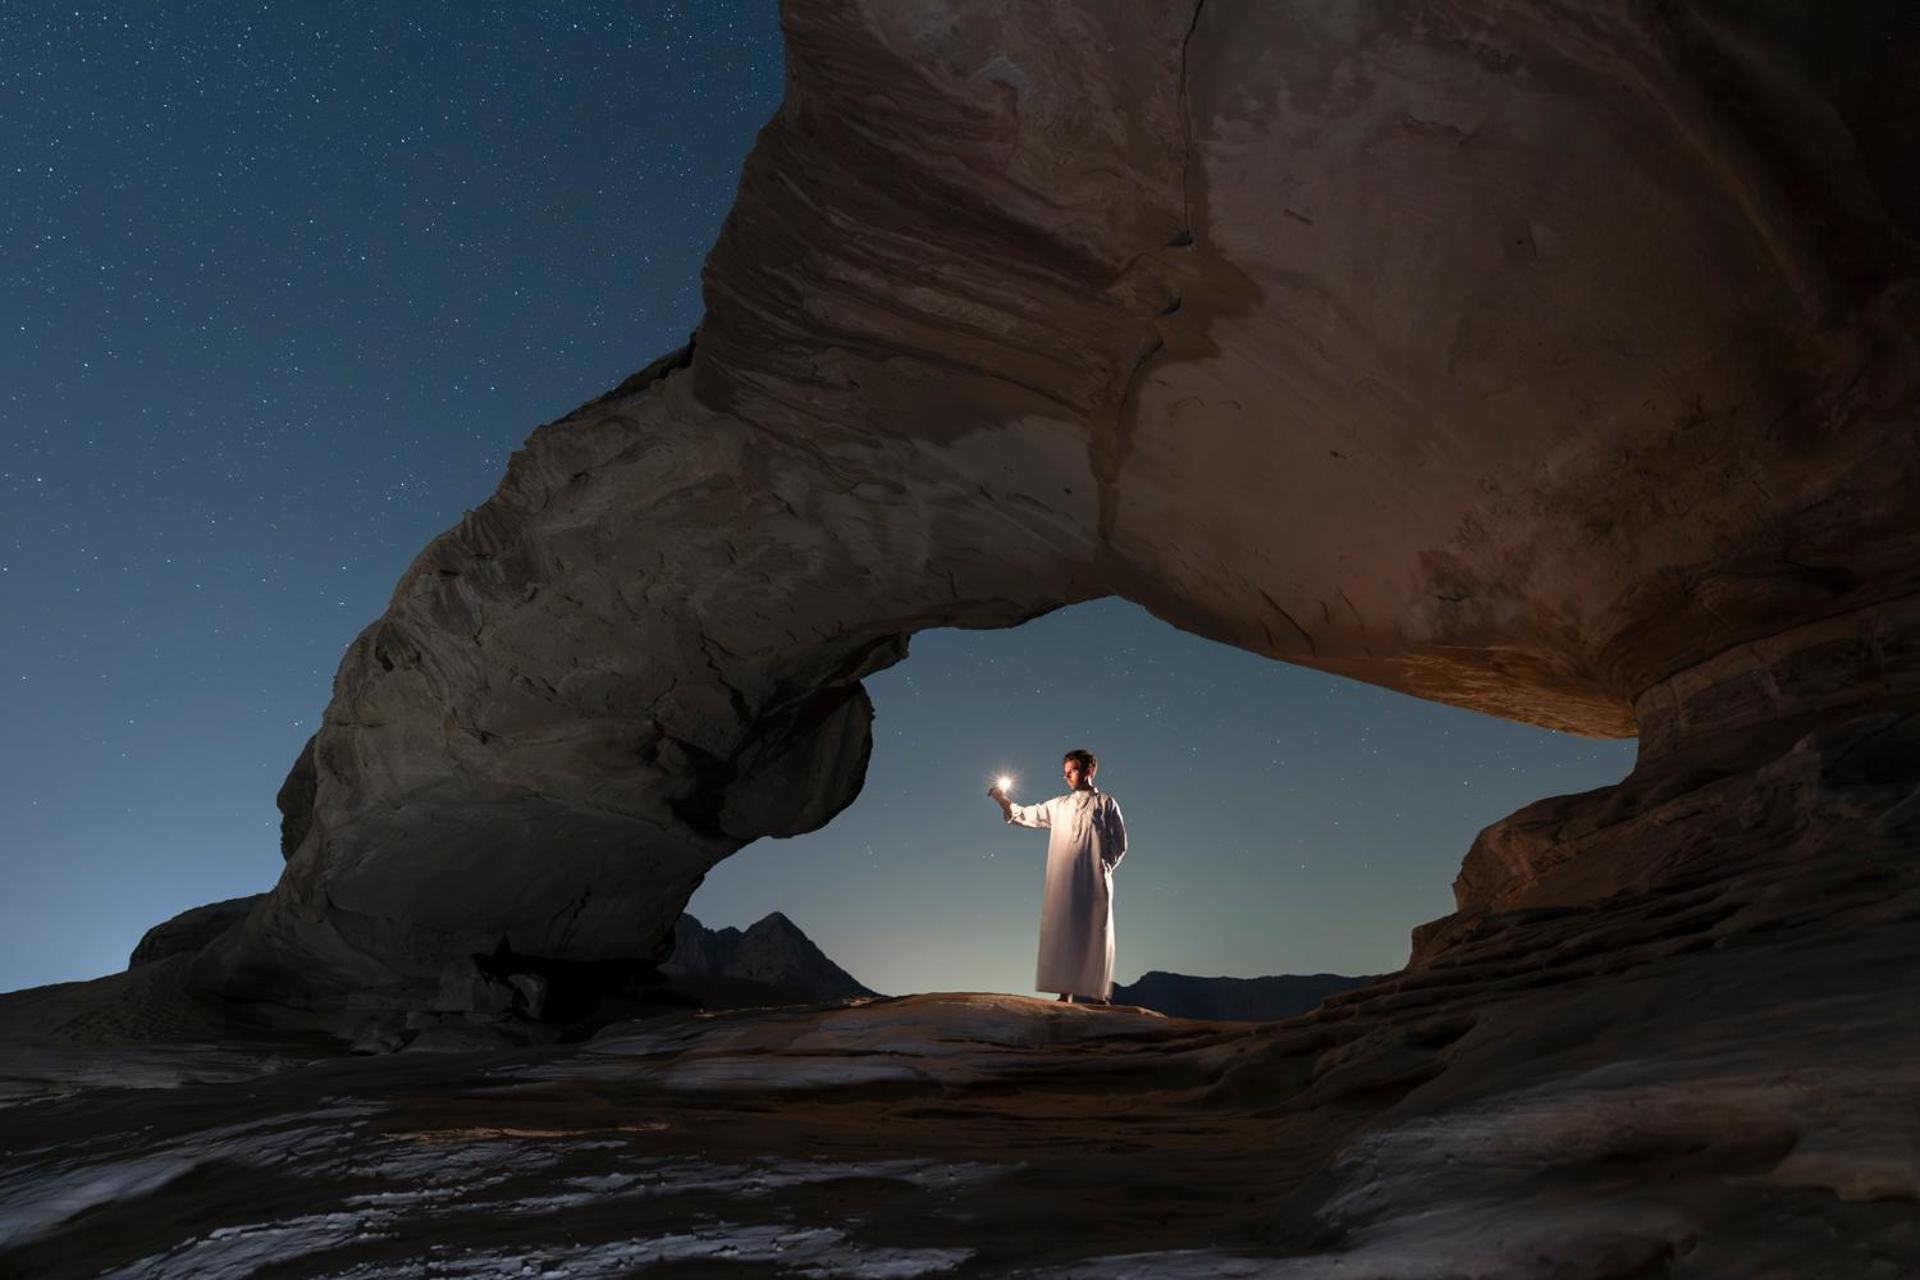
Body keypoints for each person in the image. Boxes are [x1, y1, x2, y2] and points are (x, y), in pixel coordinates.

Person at [988, 749, 1128, 1005]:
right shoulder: (1059, 805)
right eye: (1065, 773)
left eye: (1072, 770)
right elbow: (1029, 815)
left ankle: (1098, 995)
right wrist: (1002, 800)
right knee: (1064, 929)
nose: (1067, 776)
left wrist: (1102, 866)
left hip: (1095, 878)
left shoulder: (1106, 803)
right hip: (1064, 878)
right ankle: (1065, 993)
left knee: (1097, 930)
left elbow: (1119, 843)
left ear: (1089, 770)